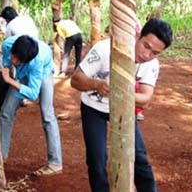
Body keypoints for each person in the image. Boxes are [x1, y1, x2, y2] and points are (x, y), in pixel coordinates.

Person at [70, 18, 173, 192]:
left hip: (124, 109)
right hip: (93, 108)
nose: (147, 55)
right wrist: (97, 84)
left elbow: (146, 99)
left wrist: (119, 91)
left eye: (155, 53)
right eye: (146, 46)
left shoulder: (151, 64)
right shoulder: (105, 49)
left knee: (140, 158)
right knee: (97, 161)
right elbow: (75, 80)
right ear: (138, 36)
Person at [0, 35, 63, 176]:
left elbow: (33, 94)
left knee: (47, 115)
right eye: (14, 57)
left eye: (18, 61)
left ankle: (55, 162)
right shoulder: (7, 45)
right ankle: (0, 156)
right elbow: (7, 57)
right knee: (6, 112)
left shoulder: (36, 61)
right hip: (22, 73)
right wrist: (6, 65)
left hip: (44, 72)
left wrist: (9, 80)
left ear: (26, 61)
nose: (14, 61)